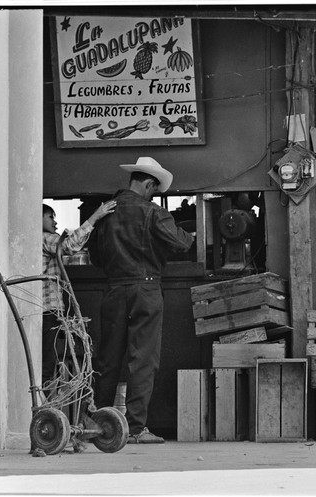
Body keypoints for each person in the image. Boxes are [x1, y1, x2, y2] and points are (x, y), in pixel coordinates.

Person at [89, 157, 194, 444]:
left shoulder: (105, 212)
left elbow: (96, 258)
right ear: (148, 183)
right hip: (145, 290)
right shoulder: (152, 212)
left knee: (108, 359)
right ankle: (135, 429)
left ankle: (99, 424)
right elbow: (182, 242)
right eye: (154, 190)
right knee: (142, 359)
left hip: (113, 290)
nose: (153, 194)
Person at [41, 200, 116, 397]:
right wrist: (94, 217)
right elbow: (68, 246)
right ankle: (46, 410)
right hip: (47, 310)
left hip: (47, 310)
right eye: (50, 217)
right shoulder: (44, 238)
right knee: (48, 365)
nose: (55, 222)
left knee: (49, 363)